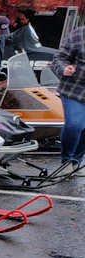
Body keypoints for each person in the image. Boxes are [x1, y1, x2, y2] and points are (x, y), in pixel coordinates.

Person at [51, 24, 85, 175]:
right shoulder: (77, 35)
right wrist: (64, 68)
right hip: (74, 90)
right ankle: (66, 161)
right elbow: (59, 57)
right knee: (74, 125)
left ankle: (77, 161)